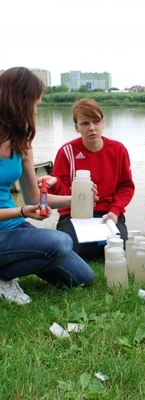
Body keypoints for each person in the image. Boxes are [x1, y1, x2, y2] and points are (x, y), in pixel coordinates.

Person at [0, 67, 94, 305]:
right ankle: (5, 275)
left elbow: (34, 199)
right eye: (35, 103)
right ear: (19, 101)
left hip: (14, 227)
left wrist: (78, 198)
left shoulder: (22, 142)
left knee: (83, 277)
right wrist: (21, 211)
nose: (36, 110)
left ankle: (6, 269)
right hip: (8, 225)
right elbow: (25, 208)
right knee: (61, 241)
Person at [45, 98, 135, 261]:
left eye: (96, 121)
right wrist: (57, 184)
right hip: (74, 215)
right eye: (85, 123)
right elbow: (61, 195)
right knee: (81, 249)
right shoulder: (67, 152)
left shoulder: (118, 150)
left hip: (108, 213)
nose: (92, 128)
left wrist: (115, 211)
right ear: (76, 127)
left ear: (103, 122)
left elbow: (126, 187)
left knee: (118, 246)